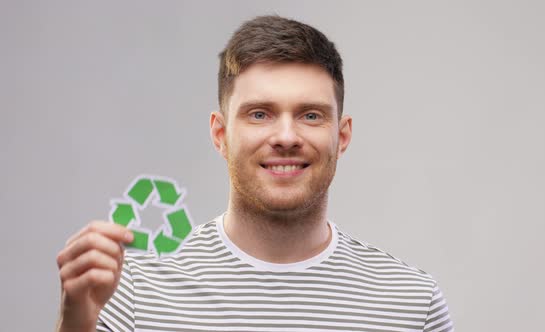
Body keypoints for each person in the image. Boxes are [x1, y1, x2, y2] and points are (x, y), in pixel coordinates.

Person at [55, 15, 454, 332]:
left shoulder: (411, 303)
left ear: (342, 135)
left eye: (310, 115)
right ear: (221, 134)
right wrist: (75, 325)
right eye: (259, 114)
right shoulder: (133, 291)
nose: (285, 136)